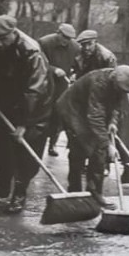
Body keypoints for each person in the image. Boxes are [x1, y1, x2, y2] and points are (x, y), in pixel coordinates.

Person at [0, 15, 54, 213]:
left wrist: (24, 123)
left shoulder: (31, 51)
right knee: (0, 146)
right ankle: (0, 188)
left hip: (36, 106)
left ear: (13, 33)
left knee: (25, 152)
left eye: (3, 39)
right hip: (8, 101)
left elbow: (35, 89)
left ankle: (19, 193)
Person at [55, 65, 129, 209]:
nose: (122, 92)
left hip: (89, 109)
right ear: (114, 81)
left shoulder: (118, 85)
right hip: (72, 110)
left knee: (99, 151)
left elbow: (117, 105)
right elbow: (95, 117)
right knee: (79, 148)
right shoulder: (98, 83)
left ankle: (95, 192)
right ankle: (74, 191)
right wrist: (107, 145)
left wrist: (113, 122)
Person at [74, 30, 129, 169]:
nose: (86, 48)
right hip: (88, 92)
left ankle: (105, 163)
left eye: (89, 44)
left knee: (108, 127)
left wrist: (112, 117)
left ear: (95, 42)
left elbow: (113, 81)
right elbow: (79, 73)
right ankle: (87, 160)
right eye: (83, 45)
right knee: (87, 127)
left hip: (106, 94)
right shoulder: (80, 56)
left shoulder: (107, 57)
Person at [38, 23, 81, 157]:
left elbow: (78, 65)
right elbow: (37, 63)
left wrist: (74, 74)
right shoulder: (44, 43)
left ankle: (52, 144)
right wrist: (53, 69)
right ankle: (38, 144)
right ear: (58, 33)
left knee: (58, 116)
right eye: (64, 37)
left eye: (69, 38)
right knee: (42, 114)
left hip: (62, 86)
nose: (66, 41)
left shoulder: (75, 47)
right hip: (44, 84)